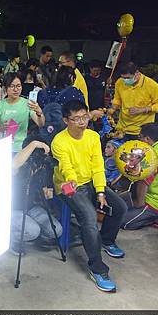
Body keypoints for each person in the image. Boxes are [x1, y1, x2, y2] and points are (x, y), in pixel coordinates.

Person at [51, 100, 127, 292]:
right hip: (69, 186)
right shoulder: (59, 141)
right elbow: (66, 168)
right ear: (66, 120)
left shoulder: (93, 137)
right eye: (76, 119)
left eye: (84, 116)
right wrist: (74, 182)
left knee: (119, 207)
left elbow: (97, 166)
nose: (82, 122)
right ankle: (97, 269)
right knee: (90, 218)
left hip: (91, 182)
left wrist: (100, 191)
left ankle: (107, 240)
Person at [122, 123, 158, 230]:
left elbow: (143, 182)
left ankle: (154, 218)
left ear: (147, 139)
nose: (139, 141)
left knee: (121, 221)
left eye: (140, 137)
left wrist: (139, 205)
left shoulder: (152, 156)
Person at [10, 139, 62, 254]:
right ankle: (12, 239)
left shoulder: (42, 168)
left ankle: (34, 237)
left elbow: (46, 190)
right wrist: (33, 144)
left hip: (31, 207)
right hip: (13, 209)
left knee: (56, 230)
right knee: (33, 231)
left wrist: (47, 193)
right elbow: (13, 165)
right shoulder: (19, 165)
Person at [111, 61, 158, 140]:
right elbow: (117, 99)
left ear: (137, 73)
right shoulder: (119, 82)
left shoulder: (151, 85)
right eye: (123, 78)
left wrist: (143, 109)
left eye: (128, 78)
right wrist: (113, 108)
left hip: (141, 131)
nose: (125, 80)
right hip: (122, 129)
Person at [0, 72, 45, 152]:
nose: (16, 90)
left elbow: (41, 124)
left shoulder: (28, 103)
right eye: (12, 86)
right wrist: (3, 128)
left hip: (21, 148)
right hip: (3, 148)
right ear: (5, 88)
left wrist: (39, 113)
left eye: (18, 86)